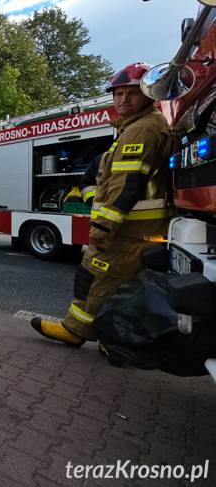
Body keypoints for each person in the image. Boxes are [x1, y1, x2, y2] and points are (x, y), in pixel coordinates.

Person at [32, 63, 172, 347]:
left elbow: (127, 183)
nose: (123, 101)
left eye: (131, 94)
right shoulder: (137, 127)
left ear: (149, 95)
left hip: (129, 228)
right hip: (135, 226)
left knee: (99, 276)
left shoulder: (143, 129)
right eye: (118, 95)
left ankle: (77, 331)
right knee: (117, 281)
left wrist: (103, 224)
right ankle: (109, 339)